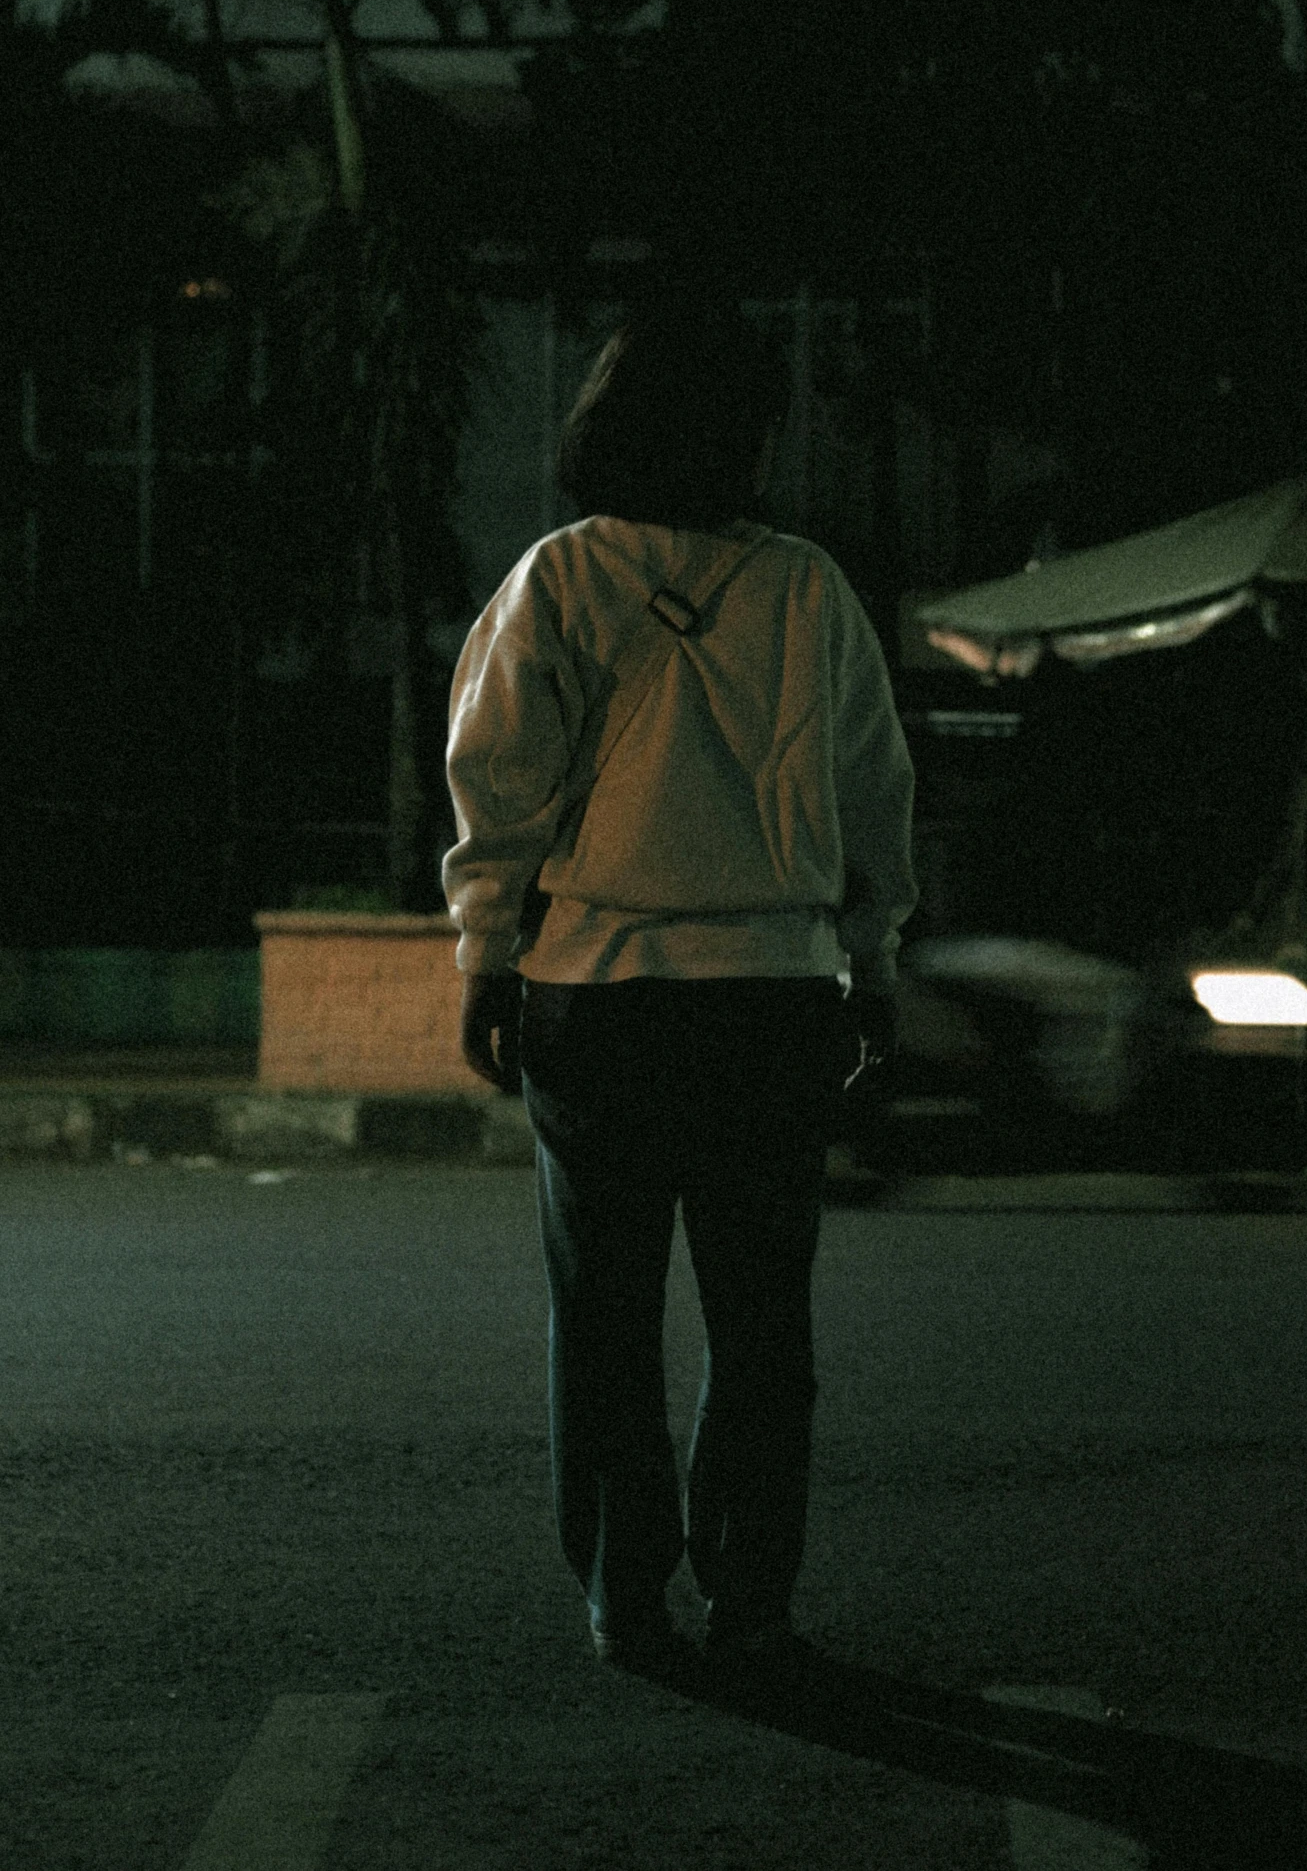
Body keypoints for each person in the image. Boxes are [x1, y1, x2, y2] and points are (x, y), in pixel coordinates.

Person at [441, 307, 917, 1676]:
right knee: (763, 1322)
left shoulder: (557, 581)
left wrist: (485, 952)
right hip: (770, 997)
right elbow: (873, 798)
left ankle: (621, 1591)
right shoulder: (809, 592)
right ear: (741, 437)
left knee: (602, 1317)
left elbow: (498, 785)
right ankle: (751, 1593)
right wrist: (870, 959)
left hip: (598, 997)